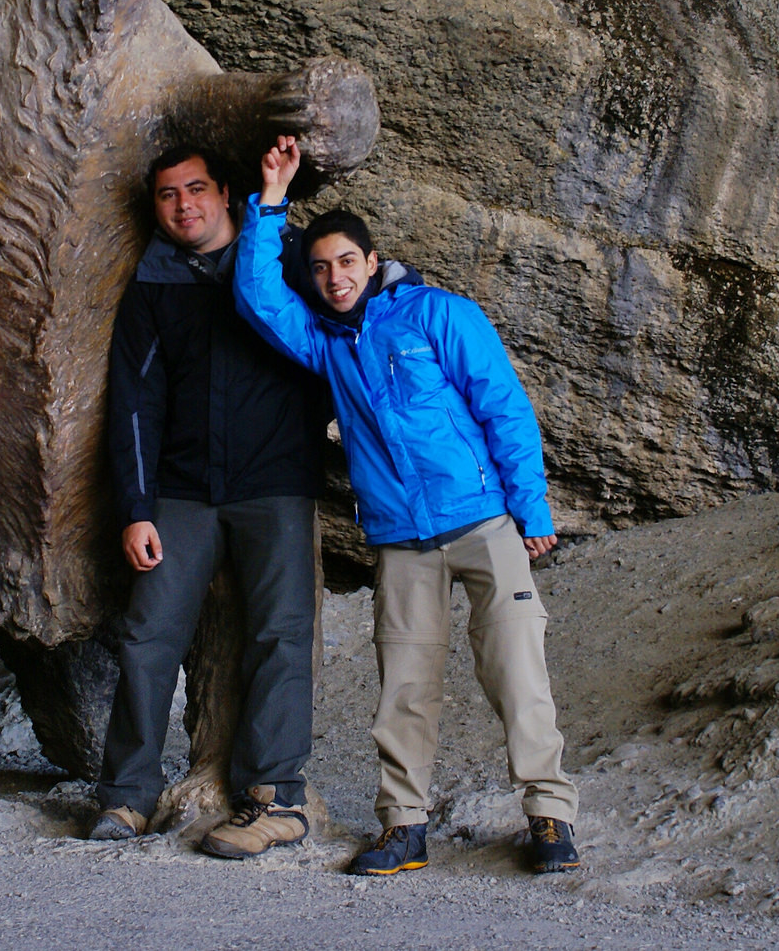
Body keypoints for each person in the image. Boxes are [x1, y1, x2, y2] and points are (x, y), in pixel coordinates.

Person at [232, 135, 581, 876]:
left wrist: (533, 510)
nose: (333, 278)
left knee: (518, 672)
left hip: (483, 521)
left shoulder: (439, 315)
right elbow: (259, 297)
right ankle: (403, 827)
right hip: (400, 538)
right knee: (405, 689)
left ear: (372, 261)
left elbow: (506, 410)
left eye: (345, 263)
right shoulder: (328, 344)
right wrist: (272, 200)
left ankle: (549, 814)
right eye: (320, 268)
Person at [89, 145, 328, 859]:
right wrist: (136, 507)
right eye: (167, 195)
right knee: (148, 635)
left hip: (275, 482)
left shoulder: (286, 261)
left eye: (196, 189)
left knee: (281, 635)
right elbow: (135, 402)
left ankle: (273, 795)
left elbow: (344, 315)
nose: (183, 205)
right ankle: (126, 794)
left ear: (226, 193)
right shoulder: (153, 282)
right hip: (181, 489)